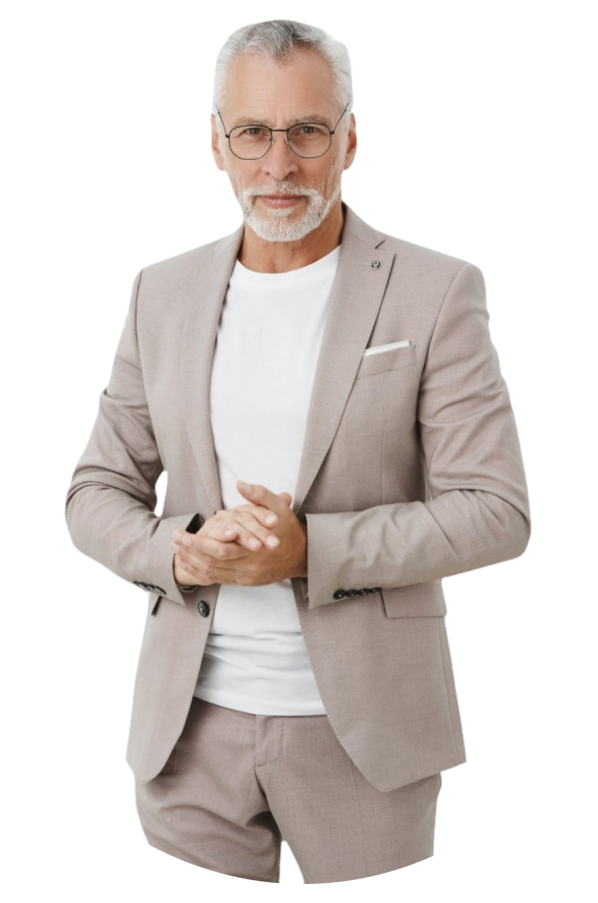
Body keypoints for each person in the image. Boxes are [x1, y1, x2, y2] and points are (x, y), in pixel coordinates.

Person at [64, 18, 532, 884]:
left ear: (349, 140)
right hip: (187, 732)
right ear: (216, 143)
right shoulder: (160, 291)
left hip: (368, 736)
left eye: (307, 131)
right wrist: (181, 549)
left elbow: (497, 511)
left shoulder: (438, 290)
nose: (279, 164)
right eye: (253, 132)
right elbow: (93, 492)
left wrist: (310, 549)